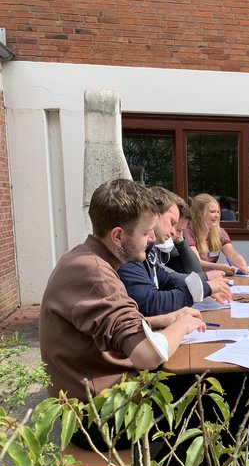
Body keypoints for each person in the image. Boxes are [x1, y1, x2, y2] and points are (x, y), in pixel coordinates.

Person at [39, 178, 205, 415]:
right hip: (98, 415)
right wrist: (183, 325)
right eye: (146, 232)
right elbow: (148, 355)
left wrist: (162, 321)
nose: (152, 240)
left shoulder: (84, 258)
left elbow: (102, 329)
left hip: (92, 396)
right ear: (118, 236)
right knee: (212, 391)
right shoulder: (95, 274)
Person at [118, 187, 231, 316]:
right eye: (172, 223)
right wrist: (203, 289)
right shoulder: (129, 252)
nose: (173, 232)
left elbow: (167, 280)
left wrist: (203, 288)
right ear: (154, 215)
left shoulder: (148, 249)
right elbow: (151, 303)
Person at [185, 193, 249, 276]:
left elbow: (232, 254)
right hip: (194, 279)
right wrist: (221, 267)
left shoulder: (220, 232)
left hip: (212, 277)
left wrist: (241, 263)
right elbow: (197, 263)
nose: (217, 216)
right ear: (199, 213)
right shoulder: (188, 233)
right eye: (212, 212)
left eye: (218, 212)